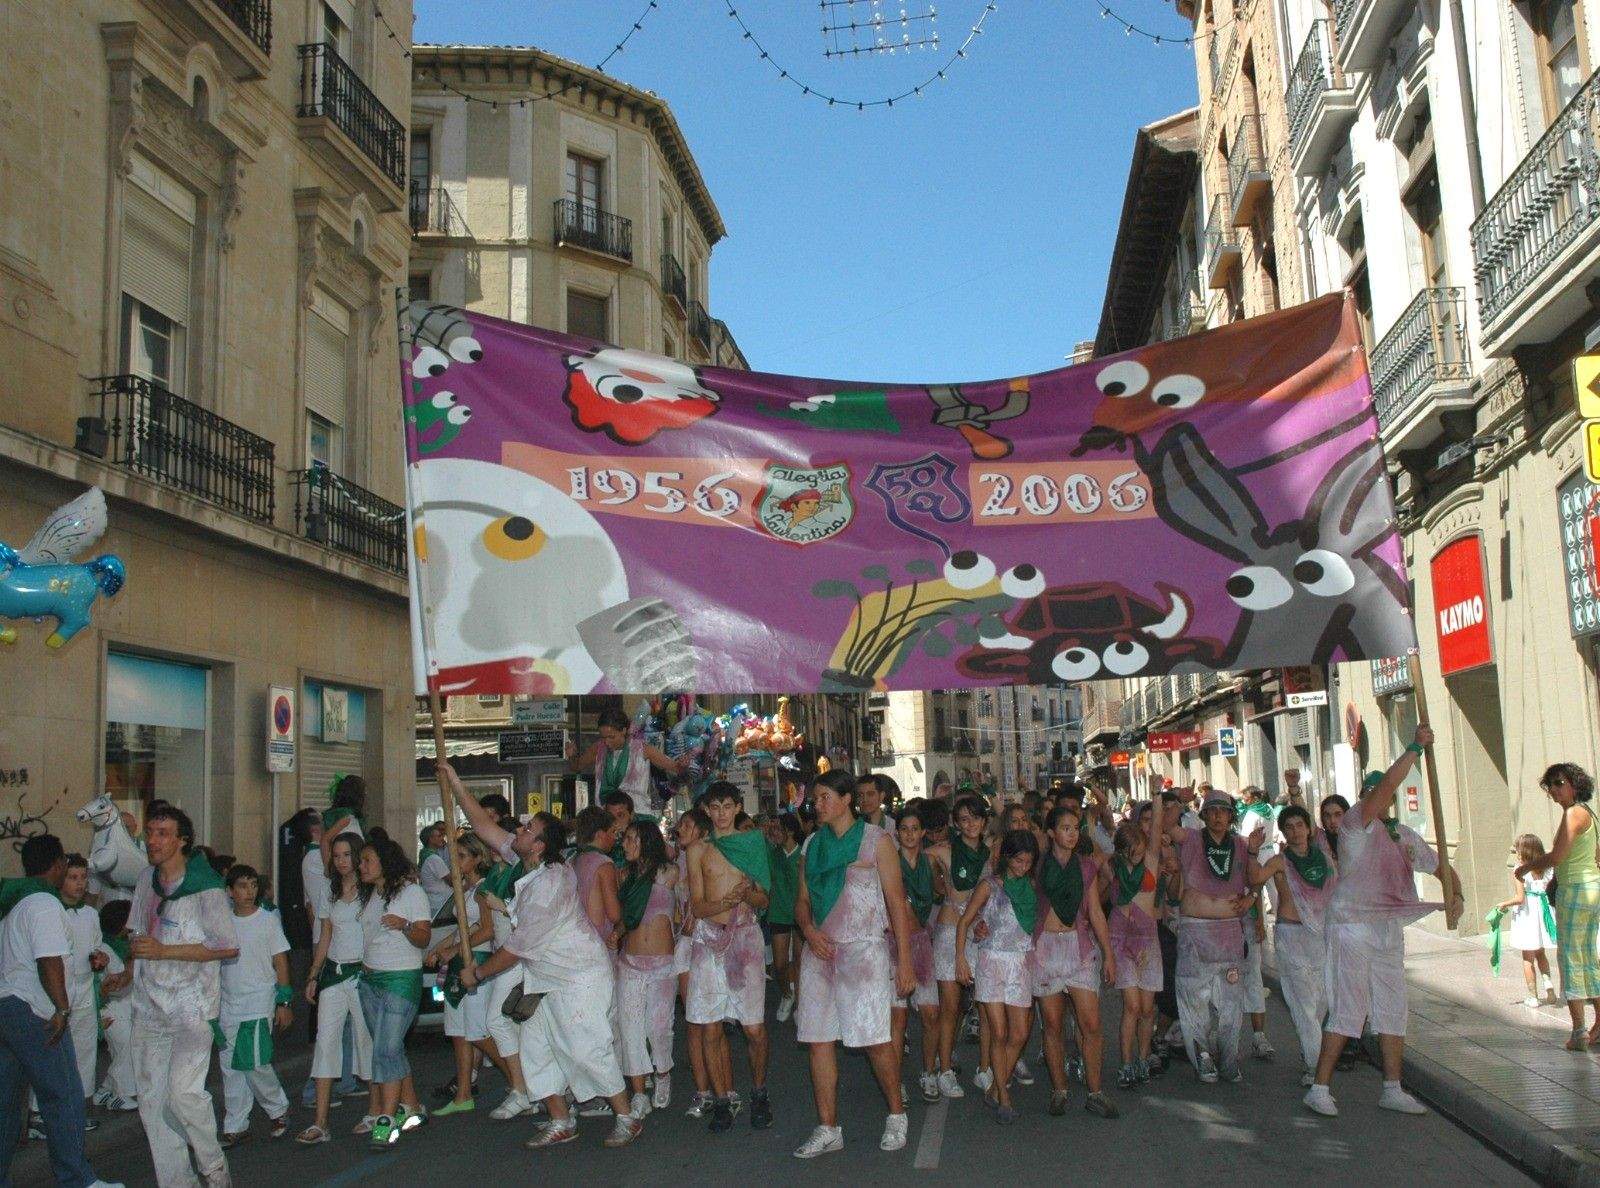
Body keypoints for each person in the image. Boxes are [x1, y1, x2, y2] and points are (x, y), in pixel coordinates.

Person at [446, 764, 641, 1151]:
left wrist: (478, 974)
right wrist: (453, 779)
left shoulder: (550, 882)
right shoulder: (527, 863)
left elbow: (516, 948)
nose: (518, 830)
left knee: (587, 1046)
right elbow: (484, 827)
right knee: (537, 1048)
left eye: (527, 829)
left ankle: (626, 1116)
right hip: (543, 976)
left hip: (579, 975)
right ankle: (560, 1120)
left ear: (539, 845)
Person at [1305, 726, 1448, 1117]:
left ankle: (1392, 1087)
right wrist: (1415, 746)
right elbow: (1387, 786)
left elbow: (1439, 867)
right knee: (1349, 1008)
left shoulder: (1401, 834)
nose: (1379, 798)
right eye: (1374, 792)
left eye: (1382, 792)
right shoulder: (1354, 825)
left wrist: (1458, 895)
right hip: (1351, 926)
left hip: (1387, 929)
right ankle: (1319, 1087)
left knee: (1392, 1007)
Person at [792, 770, 916, 1157]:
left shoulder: (877, 841)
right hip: (820, 951)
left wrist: (906, 962)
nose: (819, 804)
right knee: (818, 1039)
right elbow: (802, 901)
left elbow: (896, 903)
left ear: (847, 800)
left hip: (864, 953)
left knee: (876, 1040)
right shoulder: (812, 844)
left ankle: (896, 1114)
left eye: (826, 796)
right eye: (817, 798)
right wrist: (809, 932)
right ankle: (828, 1127)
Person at [0, 835, 122, 1188]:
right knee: (64, 1096)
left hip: (8, 1010)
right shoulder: (44, 904)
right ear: (57, 865)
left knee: (8, 1105)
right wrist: (62, 1009)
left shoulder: (15, 904)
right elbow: (49, 959)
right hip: (35, 1012)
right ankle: (77, 1180)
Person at [129, 805, 239, 1188]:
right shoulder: (146, 879)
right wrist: (125, 969)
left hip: (193, 1008)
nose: (153, 840)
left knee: (183, 1095)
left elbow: (227, 947)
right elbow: (136, 933)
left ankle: (214, 1170)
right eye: (151, 831)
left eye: (163, 833)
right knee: (151, 1102)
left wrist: (165, 951)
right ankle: (178, 1182)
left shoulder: (206, 888)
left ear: (181, 841)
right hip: (147, 1007)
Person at [687, 782, 772, 1133]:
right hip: (708, 940)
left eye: (727, 806)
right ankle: (722, 1099)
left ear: (737, 808)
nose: (721, 813)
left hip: (746, 938)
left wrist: (748, 894)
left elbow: (765, 900)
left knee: (753, 1028)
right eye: (714, 807)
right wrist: (725, 903)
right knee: (710, 1026)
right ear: (707, 810)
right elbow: (697, 904)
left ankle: (758, 1092)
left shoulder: (752, 844)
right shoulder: (697, 850)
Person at [1164, 788, 1258, 1085]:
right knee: (1194, 1000)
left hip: (1229, 934)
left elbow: (1254, 881)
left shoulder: (1241, 846)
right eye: (1212, 811)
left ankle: (1229, 1059)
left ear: (1231, 816)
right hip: (1195, 933)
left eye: (1223, 811)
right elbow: (1166, 826)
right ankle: (1203, 1055)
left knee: (1231, 1003)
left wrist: (1252, 898)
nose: (1218, 816)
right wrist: (1177, 800)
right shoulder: (1191, 839)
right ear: (1203, 815)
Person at [1034, 804, 1117, 1119]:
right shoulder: (1038, 867)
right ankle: (1060, 1089)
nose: (1071, 833)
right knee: (1053, 1025)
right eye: (1065, 828)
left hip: (1079, 948)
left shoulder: (1086, 867)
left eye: (1075, 828)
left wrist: (1108, 954)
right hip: (1044, 950)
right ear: (1052, 833)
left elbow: (1095, 911)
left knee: (1091, 1023)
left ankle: (1095, 1091)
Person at [426, 832, 517, 1118]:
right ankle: (464, 1092)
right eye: (454, 856)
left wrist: (454, 949)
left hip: (476, 960)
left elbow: (487, 930)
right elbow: (460, 928)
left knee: (478, 1031)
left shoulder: (481, 890)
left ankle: (520, 1083)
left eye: (462, 856)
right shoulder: (463, 890)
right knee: (458, 1031)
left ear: (477, 858)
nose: (457, 861)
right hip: (459, 962)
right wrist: (442, 948)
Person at [1514, 764, 1600, 1048]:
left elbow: (1557, 856)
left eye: (1558, 783)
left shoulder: (1574, 813)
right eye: (1549, 785)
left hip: (1575, 891)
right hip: (1590, 888)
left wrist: (1526, 868)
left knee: (1571, 958)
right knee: (1588, 957)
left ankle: (1579, 1031)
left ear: (1575, 784)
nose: (1553, 789)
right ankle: (1597, 1024)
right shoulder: (1590, 814)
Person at [1250, 805, 1337, 1083]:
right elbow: (1254, 880)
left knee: (1323, 1000)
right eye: (1289, 827)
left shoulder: (1324, 859)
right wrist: (1252, 852)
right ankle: (1314, 1066)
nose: (1296, 831)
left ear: (1309, 829)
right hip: (1291, 935)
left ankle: (1312, 1054)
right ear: (1284, 832)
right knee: (1303, 1004)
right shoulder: (1279, 862)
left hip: (1321, 936)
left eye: (1300, 825)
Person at [956, 828, 1038, 1124]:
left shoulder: (1029, 886)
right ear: (1006, 858)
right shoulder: (990, 886)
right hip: (991, 963)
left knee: (1019, 1033)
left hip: (1019, 963)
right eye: (1018, 861)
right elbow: (964, 921)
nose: (1022, 867)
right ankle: (1004, 1096)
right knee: (999, 1032)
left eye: (1028, 862)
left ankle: (994, 1086)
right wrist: (960, 959)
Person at [356, 837, 432, 1147]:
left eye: (367, 861)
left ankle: (386, 1119)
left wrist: (403, 925)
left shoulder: (411, 893)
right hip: (370, 980)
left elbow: (423, 938)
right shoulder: (371, 895)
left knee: (385, 1050)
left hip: (400, 980)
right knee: (390, 1048)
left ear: (384, 862)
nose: (362, 866)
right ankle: (412, 1107)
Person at [298, 832, 373, 1144]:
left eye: (346, 855)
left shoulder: (371, 893)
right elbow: (325, 935)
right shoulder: (328, 893)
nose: (342, 861)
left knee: (365, 1040)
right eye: (337, 855)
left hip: (363, 974)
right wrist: (313, 974)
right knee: (325, 1042)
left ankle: (374, 1111)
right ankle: (320, 1122)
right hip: (334, 974)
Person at [217, 865, 292, 1147]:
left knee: (255, 1062)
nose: (248, 892)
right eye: (242, 886)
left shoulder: (268, 920)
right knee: (231, 1067)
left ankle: (278, 1108)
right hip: (228, 1002)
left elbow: (281, 961)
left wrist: (283, 1001)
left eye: (252, 885)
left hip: (259, 1000)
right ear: (230, 891)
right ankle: (236, 1124)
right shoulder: (223, 922)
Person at [927, 794, 992, 1098]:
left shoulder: (993, 854)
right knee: (950, 1006)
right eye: (964, 819)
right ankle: (944, 1070)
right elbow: (912, 862)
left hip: (980, 935)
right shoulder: (944, 851)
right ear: (955, 822)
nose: (971, 825)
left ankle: (985, 1068)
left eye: (976, 818)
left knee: (986, 1004)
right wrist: (935, 883)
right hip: (949, 933)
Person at [615, 819, 679, 1118]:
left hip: (662, 963)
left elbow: (685, 907)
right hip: (630, 962)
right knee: (630, 1028)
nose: (625, 844)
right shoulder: (624, 875)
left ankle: (663, 1072)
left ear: (646, 841)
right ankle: (638, 1091)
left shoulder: (668, 872)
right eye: (625, 838)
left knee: (658, 1026)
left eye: (631, 839)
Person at [475, 837, 538, 1122]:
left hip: (517, 955)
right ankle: (528, 1088)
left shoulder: (521, 873)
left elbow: (529, 920)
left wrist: (502, 906)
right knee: (515, 1025)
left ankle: (522, 1089)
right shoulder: (493, 875)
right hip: (502, 955)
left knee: (496, 1021)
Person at [1103, 802, 1162, 1090]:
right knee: (1132, 1005)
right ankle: (1126, 1062)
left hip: (1148, 939)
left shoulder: (1151, 861)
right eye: (1133, 850)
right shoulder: (1110, 867)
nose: (1139, 854)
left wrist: (1156, 795)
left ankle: (1143, 1057)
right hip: (1120, 938)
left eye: (1141, 847)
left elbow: (1159, 826)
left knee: (1147, 1009)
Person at [890, 803, 945, 1105]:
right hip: (894, 944)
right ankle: (895, 1080)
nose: (909, 834)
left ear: (923, 832)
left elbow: (941, 893)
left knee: (931, 1014)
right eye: (904, 829)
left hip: (922, 941)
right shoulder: (889, 863)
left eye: (915, 829)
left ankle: (929, 1071)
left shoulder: (932, 862)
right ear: (897, 833)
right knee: (897, 1018)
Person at [672, 809, 717, 1121]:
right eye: (681, 825)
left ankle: (721, 1088)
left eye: (687, 825)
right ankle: (703, 1090)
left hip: (710, 940)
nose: (680, 829)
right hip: (685, 944)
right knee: (693, 1019)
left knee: (711, 1019)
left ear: (702, 832)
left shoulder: (711, 858)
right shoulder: (676, 861)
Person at [567, 708, 687, 819]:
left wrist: (683, 764)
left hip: (637, 816)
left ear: (624, 730)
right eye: (603, 737)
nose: (607, 742)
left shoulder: (642, 749)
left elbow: (675, 768)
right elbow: (576, 766)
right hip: (606, 818)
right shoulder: (598, 748)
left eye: (611, 737)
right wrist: (571, 755)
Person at [58, 854, 106, 1114]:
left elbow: (95, 946)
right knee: (54, 1050)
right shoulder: (53, 911)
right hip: (59, 989)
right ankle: (40, 1111)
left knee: (85, 1049)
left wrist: (100, 957)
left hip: (86, 986)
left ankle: (81, 1104)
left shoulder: (90, 914)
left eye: (83, 878)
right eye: (73, 878)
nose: (79, 883)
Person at [1497, 833, 1558, 1007]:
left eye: (1517, 849)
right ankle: (1550, 989)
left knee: (1527, 959)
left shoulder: (1519, 871)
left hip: (1527, 916)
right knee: (1541, 953)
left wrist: (1503, 904)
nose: (1516, 853)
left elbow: (1520, 898)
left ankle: (1533, 996)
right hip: (1543, 914)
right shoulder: (1548, 868)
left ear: (1523, 852)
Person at [94, 899, 138, 1112]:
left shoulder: (120, 945)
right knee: (127, 1050)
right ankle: (121, 1094)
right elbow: (115, 987)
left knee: (121, 1053)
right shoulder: (106, 950)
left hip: (122, 1010)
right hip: (113, 1010)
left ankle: (105, 1089)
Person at [765, 813, 803, 1023]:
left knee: (799, 961)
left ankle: (800, 1006)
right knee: (779, 964)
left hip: (800, 914)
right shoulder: (772, 853)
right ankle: (787, 994)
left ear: (789, 830)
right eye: (773, 830)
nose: (774, 834)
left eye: (778, 829)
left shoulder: (802, 853)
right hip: (778, 912)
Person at [417, 823, 452, 918]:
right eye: (439, 836)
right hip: (440, 902)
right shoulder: (433, 858)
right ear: (431, 839)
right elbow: (452, 881)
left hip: (433, 900)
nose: (442, 838)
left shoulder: (425, 854)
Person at [602, 792, 637, 865]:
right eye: (610, 817)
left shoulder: (641, 839)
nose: (615, 822)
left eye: (620, 815)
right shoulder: (600, 839)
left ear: (631, 815)